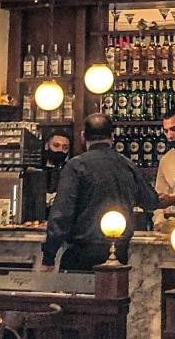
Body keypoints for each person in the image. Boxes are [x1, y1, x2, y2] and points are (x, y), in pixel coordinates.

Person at [41, 113, 159, 271]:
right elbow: (150, 201)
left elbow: (62, 214)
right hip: (119, 253)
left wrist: (49, 256)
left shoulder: (76, 166)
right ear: (112, 137)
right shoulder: (128, 165)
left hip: (81, 253)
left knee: (79, 295)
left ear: (83, 137)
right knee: (112, 293)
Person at [42, 130, 71, 195]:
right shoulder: (36, 169)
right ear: (46, 146)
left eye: (65, 147)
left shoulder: (70, 172)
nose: (60, 150)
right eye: (56, 145)